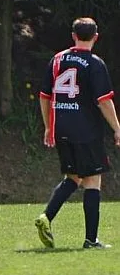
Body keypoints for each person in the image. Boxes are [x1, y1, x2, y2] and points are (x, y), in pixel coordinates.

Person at [36, 17, 120, 249]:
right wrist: (117, 128)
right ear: (96, 37)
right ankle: (90, 240)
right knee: (93, 180)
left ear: (73, 35)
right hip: (86, 130)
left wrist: (48, 126)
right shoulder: (94, 63)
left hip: (61, 126)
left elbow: (44, 96)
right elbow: (104, 102)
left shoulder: (57, 59)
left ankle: (46, 217)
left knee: (73, 177)